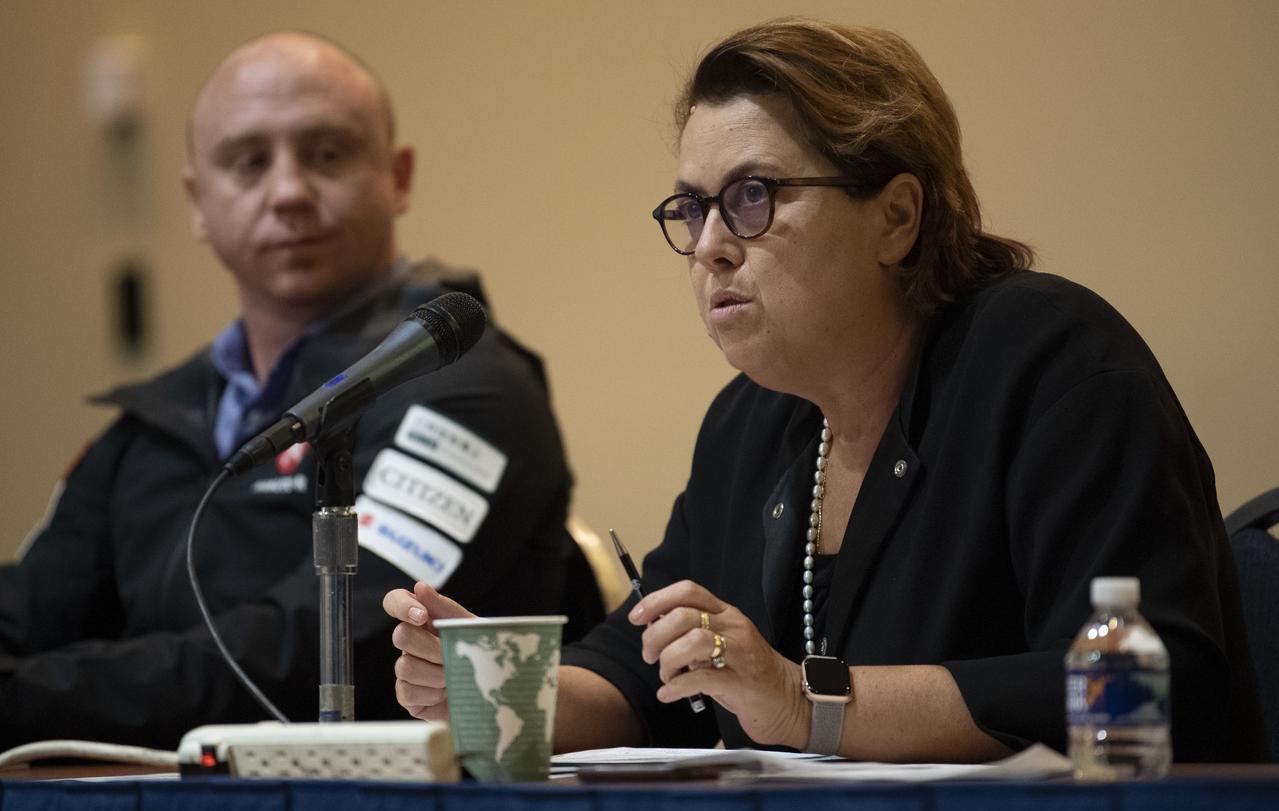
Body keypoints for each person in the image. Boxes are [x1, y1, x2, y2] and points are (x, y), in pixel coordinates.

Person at [385, 18, 1267, 762]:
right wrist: (496, 687)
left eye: (753, 196)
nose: (710, 245)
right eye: (691, 208)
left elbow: (1143, 689)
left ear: (896, 216)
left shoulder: (1048, 364)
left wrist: (805, 702)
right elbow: (648, 672)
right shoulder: (749, 420)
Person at [0, 32, 600, 751]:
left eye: (327, 153)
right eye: (249, 162)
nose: (288, 192)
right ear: (197, 201)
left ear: (398, 177)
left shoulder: (466, 388)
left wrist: (27, 698)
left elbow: (328, 643)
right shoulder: (157, 419)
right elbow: (30, 610)